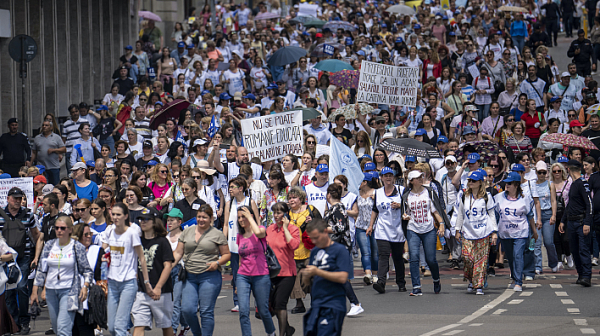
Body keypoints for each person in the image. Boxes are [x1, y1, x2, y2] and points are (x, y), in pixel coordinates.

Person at [172, 205, 231, 336]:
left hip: (209, 276)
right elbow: (178, 252)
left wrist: (217, 263)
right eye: (199, 217)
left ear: (211, 219)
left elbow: (226, 254)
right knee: (187, 309)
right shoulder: (187, 231)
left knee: (206, 311)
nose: (201, 219)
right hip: (190, 276)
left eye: (204, 217)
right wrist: (169, 265)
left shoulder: (217, 234)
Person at [30, 216, 93, 336]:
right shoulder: (49, 245)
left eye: (63, 228)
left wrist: (85, 286)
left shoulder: (76, 247)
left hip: (69, 291)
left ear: (70, 230)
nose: (59, 231)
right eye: (57, 228)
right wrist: (35, 290)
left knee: (64, 328)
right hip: (51, 290)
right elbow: (42, 269)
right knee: (56, 327)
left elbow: (87, 270)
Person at [100, 203, 152, 336]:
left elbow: (142, 257)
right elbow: (103, 250)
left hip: (128, 282)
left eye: (119, 214)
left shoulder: (131, 233)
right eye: (114, 214)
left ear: (125, 216)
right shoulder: (110, 231)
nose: (115, 217)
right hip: (112, 283)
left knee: (119, 327)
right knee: (111, 327)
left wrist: (146, 282)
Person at [301, 219, 351, 336]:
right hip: (317, 303)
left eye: (316, 237)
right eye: (311, 238)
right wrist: (306, 276)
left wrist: (318, 271)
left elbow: (343, 277)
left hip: (333, 303)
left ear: (325, 232)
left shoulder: (339, 250)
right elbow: (308, 281)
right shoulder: (315, 251)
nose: (313, 241)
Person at [401, 170, 447, 296]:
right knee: (414, 257)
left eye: (421, 177)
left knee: (430, 259)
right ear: (411, 181)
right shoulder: (407, 196)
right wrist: (405, 216)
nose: (421, 179)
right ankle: (416, 287)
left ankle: (436, 280)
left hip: (428, 228)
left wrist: (441, 224)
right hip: (413, 229)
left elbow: (436, 210)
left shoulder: (429, 192)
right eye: (417, 178)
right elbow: (405, 212)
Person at [234, 206, 277, 336]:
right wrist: (236, 282)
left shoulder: (261, 230)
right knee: (243, 311)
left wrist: (250, 216)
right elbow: (241, 259)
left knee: (263, 310)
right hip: (243, 276)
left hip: (261, 275)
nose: (241, 219)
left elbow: (258, 233)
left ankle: (271, 333)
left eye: (244, 216)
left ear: (250, 216)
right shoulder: (239, 236)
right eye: (239, 217)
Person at [1, 187, 39, 334]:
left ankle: (24, 321)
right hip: (6, 258)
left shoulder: (28, 214)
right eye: (14, 198)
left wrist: (36, 257)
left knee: (22, 287)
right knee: (9, 291)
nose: (17, 201)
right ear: (8, 198)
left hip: (23, 257)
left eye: (19, 198)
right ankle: (13, 323)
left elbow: (36, 235)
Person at [132, 210, 175, 336]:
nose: (143, 222)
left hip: (162, 291)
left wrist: (158, 287)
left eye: (146, 219)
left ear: (154, 221)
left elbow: (168, 266)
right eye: (141, 219)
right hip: (142, 291)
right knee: (139, 324)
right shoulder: (137, 241)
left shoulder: (162, 241)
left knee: (165, 325)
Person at [455, 171, 497, 295]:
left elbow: (492, 215)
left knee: (481, 260)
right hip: (468, 232)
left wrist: (494, 232)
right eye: (469, 181)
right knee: (467, 258)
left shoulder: (487, 197)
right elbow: (460, 214)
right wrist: (457, 230)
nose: (471, 183)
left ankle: (478, 285)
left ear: (480, 183)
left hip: (483, 232)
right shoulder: (464, 196)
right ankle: (471, 279)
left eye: (473, 181)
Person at [494, 172, 538, 292]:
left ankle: (518, 281)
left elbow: (530, 216)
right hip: (505, 233)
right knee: (511, 257)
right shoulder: (498, 198)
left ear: (517, 185)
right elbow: (495, 216)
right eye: (506, 183)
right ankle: (514, 277)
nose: (507, 185)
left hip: (521, 233)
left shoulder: (525, 199)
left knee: (518, 255)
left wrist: (534, 232)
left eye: (510, 183)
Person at [222, 176, 259, 313]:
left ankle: (257, 301)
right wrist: (224, 242)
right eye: (230, 187)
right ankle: (238, 302)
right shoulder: (229, 203)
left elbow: (258, 222)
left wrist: (259, 239)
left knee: (253, 272)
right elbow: (226, 224)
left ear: (241, 188)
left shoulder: (250, 202)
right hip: (233, 244)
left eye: (233, 187)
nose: (230, 190)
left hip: (250, 244)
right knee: (237, 274)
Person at [366, 167, 406, 293]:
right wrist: (370, 225)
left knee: (397, 257)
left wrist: (400, 205)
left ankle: (401, 282)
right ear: (381, 178)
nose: (388, 178)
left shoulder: (401, 190)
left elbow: (408, 205)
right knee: (383, 255)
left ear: (393, 177)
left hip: (397, 228)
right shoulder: (377, 192)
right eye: (385, 175)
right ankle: (381, 282)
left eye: (390, 175)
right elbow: (375, 210)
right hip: (382, 229)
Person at [266, 202, 300, 336]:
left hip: (287, 273)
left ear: (286, 214)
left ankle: (282, 334)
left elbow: (294, 245)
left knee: (281, 304)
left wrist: (285, 228)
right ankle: (288, 328)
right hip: (271, 273)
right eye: (274, 212)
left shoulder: (293, 229)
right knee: (274, 306)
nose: (276, 215)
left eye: (279, 212)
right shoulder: (270, 229)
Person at [559, 160, 594, 287]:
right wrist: (563, 220)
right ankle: (580, 274)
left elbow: (589, 203)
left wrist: (587, 222)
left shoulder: (582, 183)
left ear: (568, 169)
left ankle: (587, 276)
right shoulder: (573, 184)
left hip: (580, 221)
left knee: (583, 250)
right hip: (572, 222)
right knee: (574, 250)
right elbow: (569, 205)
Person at [533, 161, 561, 274]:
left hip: (548, 213)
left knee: (549, 242)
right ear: (536, 172)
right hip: (536, 215)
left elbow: (553, 200)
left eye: (543, 172)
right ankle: (538, 266)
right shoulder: (533, 184)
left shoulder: (550, 184)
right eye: (539, 172)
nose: (541, 175)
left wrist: (554, 215)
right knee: (537, 241)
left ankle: (553, 263)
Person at [32, 121, 66, 185]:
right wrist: (31, 162)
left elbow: (64, 149)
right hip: (41, 167)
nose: (44, 127)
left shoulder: (56, 137)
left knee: (55, 185)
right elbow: (34, 152)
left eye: (46, 125)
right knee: (42, 185)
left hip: (54, 166)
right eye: (43, 125)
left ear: (51, 127)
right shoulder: (37, 138)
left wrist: (54, 150)